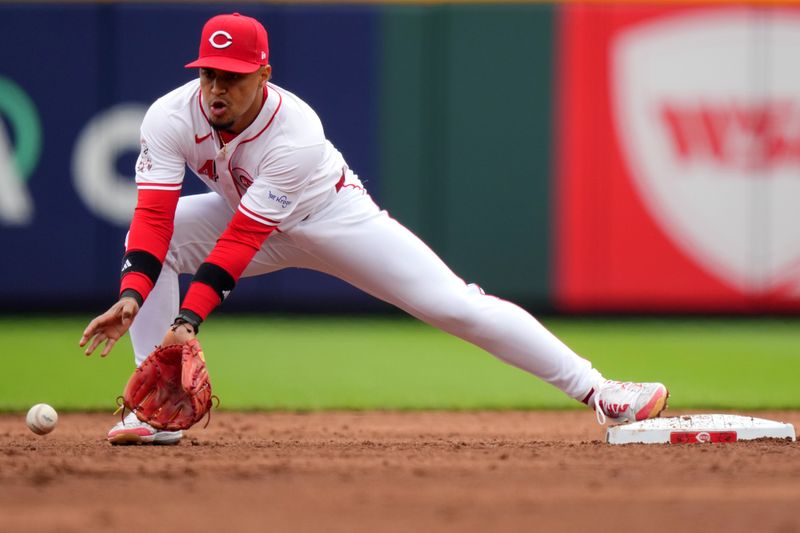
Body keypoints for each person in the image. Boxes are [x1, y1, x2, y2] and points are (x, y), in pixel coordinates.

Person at [79, 12, 668, 445]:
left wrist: (187, 322)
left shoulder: (296, 133)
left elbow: (239, 245)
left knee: (457, 305)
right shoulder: (169, 115)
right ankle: (152, 413)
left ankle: (603, 393)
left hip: (332, 218)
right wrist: (133, 297)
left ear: (264, 74)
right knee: (155, 243)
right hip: (245, 214)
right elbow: (153, 216)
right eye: (209, 73)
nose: (216, 89)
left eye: (231, 76)